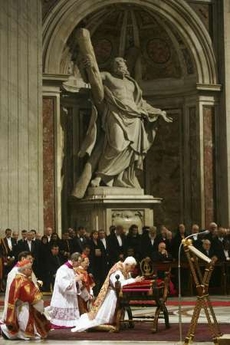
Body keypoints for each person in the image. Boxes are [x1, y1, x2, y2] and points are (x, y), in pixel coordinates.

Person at [72, 28, 172, 198]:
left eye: (121, 63)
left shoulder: (133, 85)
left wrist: (158, 112)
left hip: (134, 118)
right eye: (116, 64)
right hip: (115, 114)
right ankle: (100, 176)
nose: (119, 66)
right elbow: (92, 78)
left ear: (126, 66)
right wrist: (87, 67)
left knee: (131, 150)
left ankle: (124, 178)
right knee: (117, 144)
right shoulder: (109, 77)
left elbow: (141, 103)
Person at [71, 256, 144, 332]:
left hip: (117, 294)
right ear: (127, 264)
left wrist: (135, 280)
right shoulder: (117, 270)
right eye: (131, 268)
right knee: (103, 318)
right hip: (112, 295)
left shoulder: (125, 269)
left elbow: (128, 279)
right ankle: (102, 325)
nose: (131, 270)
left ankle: (115, 322)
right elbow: (119, 284)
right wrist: (134, 280)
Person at [0, 260, 50, 340]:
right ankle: (7, 332)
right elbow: (31, 296)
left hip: (21, 306)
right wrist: (38, 292)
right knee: (24, 326)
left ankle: (8, 331)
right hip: (23, 307)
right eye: (30, 269)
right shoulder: (23, 281)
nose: (31, 270)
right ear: (24, 270)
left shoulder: (18, 278)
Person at [46, 252, 88, 328]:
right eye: (79, 262)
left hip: (70, 299)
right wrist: (76, 279)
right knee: (62, 323)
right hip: (62, 298)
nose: (79, 264)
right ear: (74, 261)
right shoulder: (62, 270)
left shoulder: (72, 269)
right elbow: (63, 286)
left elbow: (77, 284)